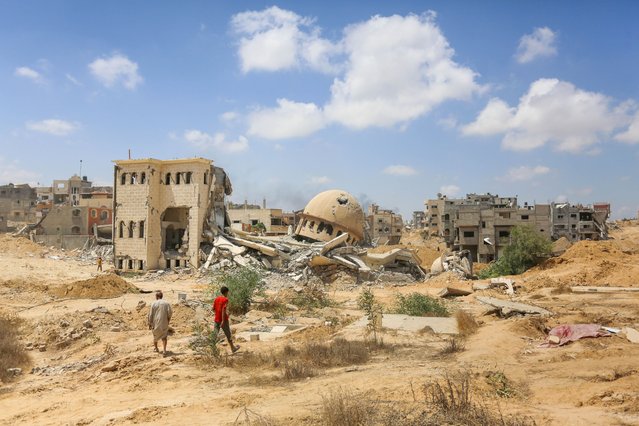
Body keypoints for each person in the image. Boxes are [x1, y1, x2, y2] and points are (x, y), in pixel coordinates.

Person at [213, 286, 240, 353]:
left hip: (216, 319)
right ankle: (233, 348)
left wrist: (217, 315)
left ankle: (212, 349)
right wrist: (222, 320)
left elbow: (213, 309)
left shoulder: (216, 299)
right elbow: (223, 310)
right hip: (223, 320)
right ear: (226, 292)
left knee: (215, 334)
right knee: (228, 334)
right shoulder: (225, 299)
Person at [148, 290, 172, 355]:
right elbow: (170, 313)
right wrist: (168, 320)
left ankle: (156, 348)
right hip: (164, 322)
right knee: (164, 336)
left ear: (156, 296)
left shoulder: (153, 303)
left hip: (155, 323)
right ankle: (164, 350)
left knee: (155, 336)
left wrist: (150, 323)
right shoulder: (166, 303)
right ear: (161, 296)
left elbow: (150, 314)